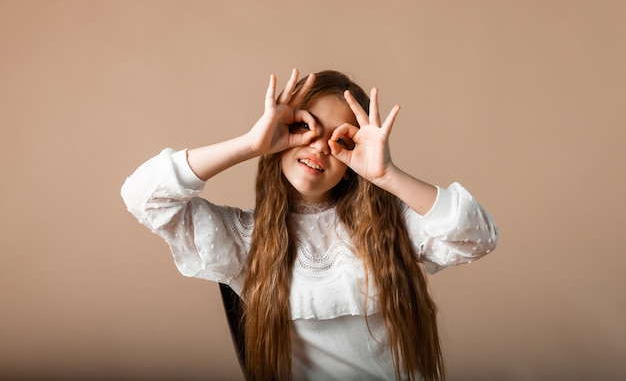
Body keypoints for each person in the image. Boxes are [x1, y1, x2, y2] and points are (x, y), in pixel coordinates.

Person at [121, 69, 498, 381]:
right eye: (306, 128)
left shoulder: (387, 227)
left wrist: (387, 174)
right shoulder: (245, 240)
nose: (318, 147)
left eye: (338, 140)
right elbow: (143, 194)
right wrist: (250, 144)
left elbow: (477, 236)